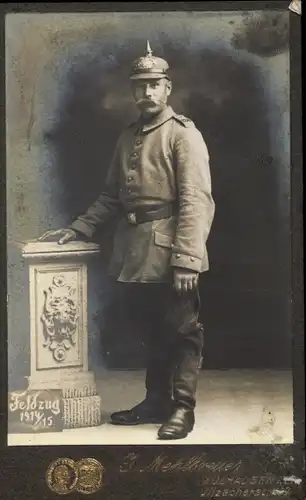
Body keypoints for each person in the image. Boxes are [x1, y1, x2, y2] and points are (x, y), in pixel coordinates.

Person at [39, 41, 215, 440]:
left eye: (155, 84)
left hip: (172, 251)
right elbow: (111, 197)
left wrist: (187, 258)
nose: (147, 92)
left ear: (168, 87)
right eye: (140, 85)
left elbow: (196, 200)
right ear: (133, 91)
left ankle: (183, 409)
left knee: (183, 330)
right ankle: (156, 402)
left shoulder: (183, 135)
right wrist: (78, 228)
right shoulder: (128, 137)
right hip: (135, 251)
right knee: (151, 330)